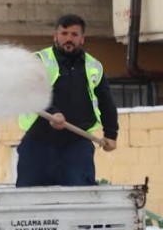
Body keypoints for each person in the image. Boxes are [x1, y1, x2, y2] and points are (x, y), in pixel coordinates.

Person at [16, 14, 118, 187]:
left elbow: (106, 102)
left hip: (77, 145)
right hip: (39, 143)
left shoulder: (93, 66)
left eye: (74, 34)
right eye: (64, 33)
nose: (68, 38)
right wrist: (52, 113)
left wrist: (111, 134)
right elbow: (34, 92)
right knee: (29, 198)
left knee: (80, 198)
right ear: (55, 36)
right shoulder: (40, 61)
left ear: (82, 38)